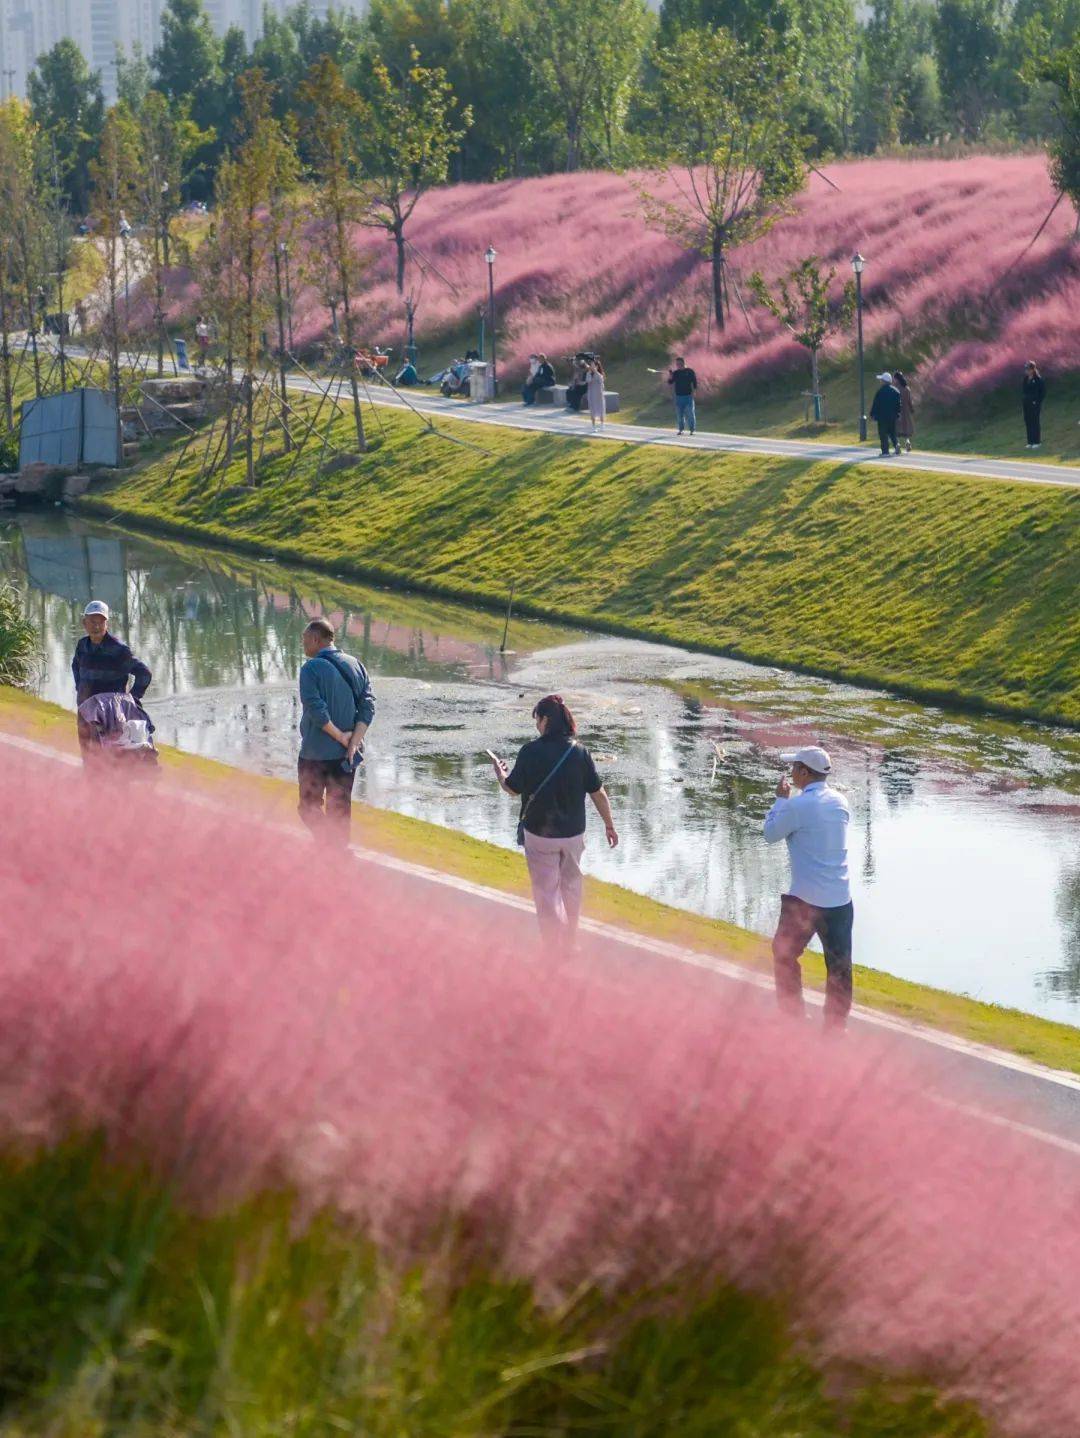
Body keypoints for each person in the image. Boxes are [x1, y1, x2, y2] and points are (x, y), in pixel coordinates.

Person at [491, 695, 618, 950]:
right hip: (573, 835)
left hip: (540, 835)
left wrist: (499, 772)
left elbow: (513, 789)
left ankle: (554, 946)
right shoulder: (580, 752)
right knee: (572, 888)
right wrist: (609, 825)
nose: (536, 724)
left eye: (537, 718)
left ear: (545, 719)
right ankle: (570, 939)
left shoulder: (530, 751)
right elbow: (598, 792)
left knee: (546, 893)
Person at [763, 745, 853, 1031]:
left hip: (805, 901)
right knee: (839, 966)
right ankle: (835, 1028)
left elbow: (770, 834)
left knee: (784, 953)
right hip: (840, 900)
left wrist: (779, 801)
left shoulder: (796, 806)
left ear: (803, 772)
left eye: (794, 768)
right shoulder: (840, 802)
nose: (791, 772)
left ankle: (792, 1015)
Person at [297, 617, 376, 847]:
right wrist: (353, 742)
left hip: (315, 754)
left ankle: (329, 847)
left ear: (315, 639)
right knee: (340, 810)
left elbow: (316, 710)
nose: (303, 645)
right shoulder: (356, 665)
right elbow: (368, 705)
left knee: (308, 806)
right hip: (346, 757)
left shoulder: (310, 669)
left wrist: (341, 737)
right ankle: (337, 856)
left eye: (304, 640)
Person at [72, 600, 153, 761]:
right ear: (84, 623)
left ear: (106, 624)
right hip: (86, 711)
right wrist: (80, 690)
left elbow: (144, 673)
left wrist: (131, 700)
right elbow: (76, 667)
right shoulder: (82, 646)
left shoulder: (118, 649)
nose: (96, 626)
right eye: (92, 622)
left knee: (109, 757)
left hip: (110, 715)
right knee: (87, 754)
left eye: (100, 622)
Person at [869, 372, 901, 456]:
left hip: (882, 417)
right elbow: (898, 405)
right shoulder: (896, 391)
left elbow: (876, 404)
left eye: (881, 380)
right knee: (892, 432)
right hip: (893, 416)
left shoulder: (880, 392)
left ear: (884, 381)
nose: (880, 381)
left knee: (883, 434)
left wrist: (872, 414)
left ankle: (885, 451)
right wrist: (898, 414)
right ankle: (896, 445)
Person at [667, 356, 698, 435]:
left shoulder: (690, 371)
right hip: (678, 397)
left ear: (683, 363)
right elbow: (670, 382)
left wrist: (694, 392)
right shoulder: (676, 373)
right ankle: (681, 430)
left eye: (680, 364)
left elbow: (694, 382)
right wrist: (670, 376)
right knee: (679, 415)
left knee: (690, 413)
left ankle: (692, 430)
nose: (678, 365)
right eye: (677, 364)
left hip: (688, 396)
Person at [1022, 361, 1045, 448]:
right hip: (1026, 404)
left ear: (1032, 369)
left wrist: (1037, 401)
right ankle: (1030, 442)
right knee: (1028, 422)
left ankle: (1037, 442)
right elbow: (1024, 390)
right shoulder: (1025, 379)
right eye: (1026, 369)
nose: (1026, 371)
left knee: (1035, 422)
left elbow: (1042, 393)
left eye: (1028, 369)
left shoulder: (1038, 379)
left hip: (1035, 404)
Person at [894, 369, 915, 453]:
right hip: (906, 412)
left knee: (896, 430)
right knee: (905, 430)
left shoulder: (895, 388)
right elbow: (909, 402)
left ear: (897, 379)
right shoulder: (907, 389)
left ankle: (898, 445)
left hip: (897, 411)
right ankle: (907, 442)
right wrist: (911, 410)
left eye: (894, 378)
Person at [586, 357, 606, 431]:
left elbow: (601, 380)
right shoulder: (588, 373)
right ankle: (593, 426)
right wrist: (591, 373)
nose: (592, 367)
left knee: (601, 409)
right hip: (591, 394)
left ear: (597, 366)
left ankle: (602, 425)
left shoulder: (600, 374)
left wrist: (596, 372)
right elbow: (588, 381)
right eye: (591, 366)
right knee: (592, 410)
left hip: (599, 394)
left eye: (594, 365)